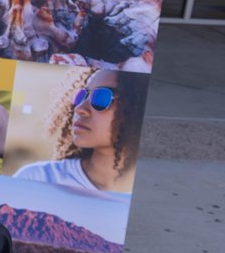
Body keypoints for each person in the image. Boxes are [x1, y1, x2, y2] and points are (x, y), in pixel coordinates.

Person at [13, 68, 145, 195]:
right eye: (82, 96)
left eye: (101, 97)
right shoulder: (36, 179)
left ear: (136, 108)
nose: (80, 109)